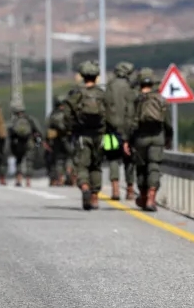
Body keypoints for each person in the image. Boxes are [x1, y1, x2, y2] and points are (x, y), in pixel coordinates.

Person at [123, 67, 173, 212]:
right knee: (154, 167)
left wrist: (126, 140)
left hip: (140, 139)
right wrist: (168, 138)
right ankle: (152, 197)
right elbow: (168, 123)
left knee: (141, 168)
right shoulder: (161, 99)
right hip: (157, 137)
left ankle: (144, 197)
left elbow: (129, 121)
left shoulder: (136, 100)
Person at [65, 61, 110, 210]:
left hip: (82, 135)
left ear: (83, 76)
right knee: (96, 166)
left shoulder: (76, 94)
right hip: (100, 135)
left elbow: (67, 115)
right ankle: (95, 198)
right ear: (96, 76)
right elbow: (110, 115)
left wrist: (71, 130)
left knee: (82, 165)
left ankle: (85, 187)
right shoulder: (102, 94)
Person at [104, 61, 137, 200]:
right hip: (129, 129)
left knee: (112, 158)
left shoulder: (109, 87)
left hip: (110, 129)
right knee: (129, 160)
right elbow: (132, 109)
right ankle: (130, 190)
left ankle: (115, 189)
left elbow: (104, 106)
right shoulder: (130, 88)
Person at [8, 99, 45, 187]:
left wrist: (12, 146)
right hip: (30, 143)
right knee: (29, 162)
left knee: (19, 161)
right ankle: (28, 180)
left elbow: (10, 134)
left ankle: (18, 179)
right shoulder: (30, 119)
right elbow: (39, 132)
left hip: (18, 144)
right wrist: (38, 143)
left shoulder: (14, 121)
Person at [45, 95, 72, 186]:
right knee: (70, 157)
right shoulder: (69, 114)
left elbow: (48, 130)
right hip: (68, 140)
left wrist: (47, 142)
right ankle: (69, 172)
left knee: (58, 160)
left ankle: (60, 178)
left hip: (57, 141)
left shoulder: (52, 115)